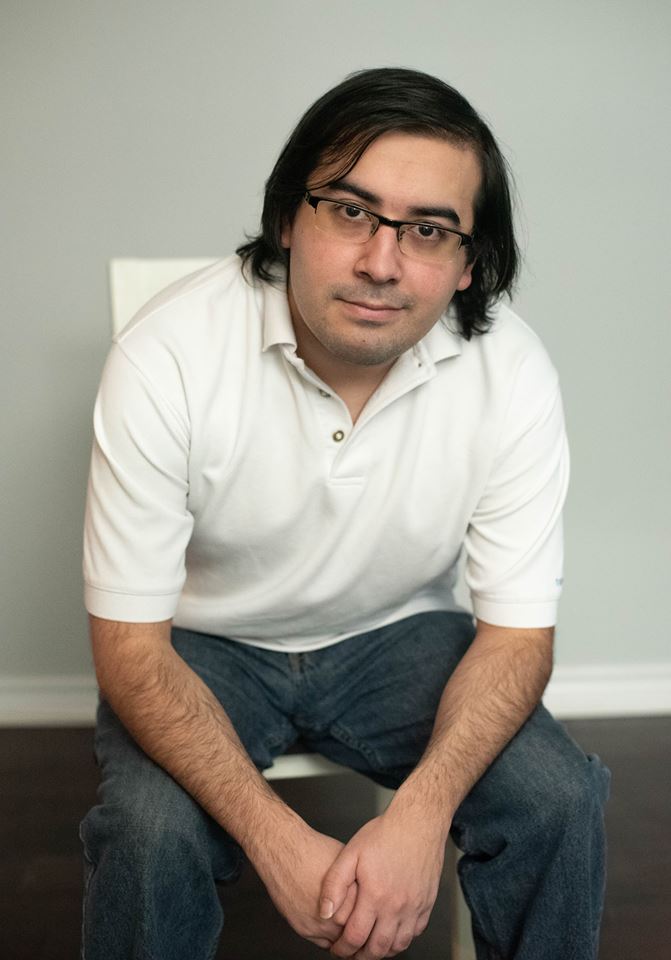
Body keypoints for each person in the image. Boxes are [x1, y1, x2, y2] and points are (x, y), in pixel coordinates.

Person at [80, 67, 609, 960]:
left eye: (429, 229)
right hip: (203, 648)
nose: (380, 262)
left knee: (560, 797)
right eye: (351, 211)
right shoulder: (165, 355)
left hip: (394, 635)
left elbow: (517, 636)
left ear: (468, 262)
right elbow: (130, 647)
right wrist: (277, 839)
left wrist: (420, 814)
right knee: (147, 830)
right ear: (290, 216)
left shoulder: (511, 370)